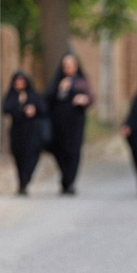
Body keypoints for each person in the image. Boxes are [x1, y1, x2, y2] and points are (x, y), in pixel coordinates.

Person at [44, 52, 94, 195]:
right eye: (65, 65)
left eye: (71, 65)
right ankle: (65, 178)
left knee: (73, 152)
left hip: (75, 124)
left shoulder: (81, 82)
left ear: (76, 66)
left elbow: (90, 98)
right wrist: (60, 89)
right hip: (58, 124)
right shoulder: (57, 82)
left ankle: (70, 182)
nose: (68, 68)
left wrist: (83, 99)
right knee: (60, 151)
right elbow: (47, 100)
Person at [2, 70, 47, 196]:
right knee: (19, 157)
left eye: (22, 82)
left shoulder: (33, 95)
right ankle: (22, 182)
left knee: (32, 156)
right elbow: (5, 108)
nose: (20, 84)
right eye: (17, 82)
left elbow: (43, 109)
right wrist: (19, 105)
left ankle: (26, 179)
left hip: (32, 132)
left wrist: (33, 109)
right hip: (17, 131)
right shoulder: (12, 95)